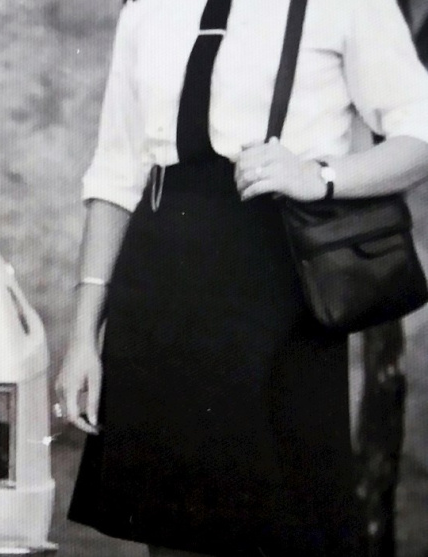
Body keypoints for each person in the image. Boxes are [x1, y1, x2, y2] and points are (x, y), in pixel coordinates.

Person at [56, 0, 428, 555]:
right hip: (159, 285)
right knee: (171, 532)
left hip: (275, 289)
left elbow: (420, 132)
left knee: (274, 527)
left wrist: (323, 177)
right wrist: (84, 337)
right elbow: (115, 175)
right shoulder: (148, 9)